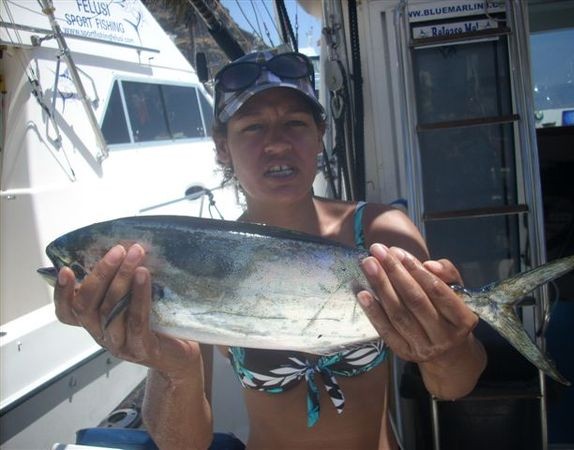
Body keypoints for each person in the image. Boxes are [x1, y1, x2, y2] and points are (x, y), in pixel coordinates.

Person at [54, 50, 487, 449]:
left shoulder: (378, 232)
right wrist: (174, 368)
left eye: (295, 123)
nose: (277, 143)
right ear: (223, 147)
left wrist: (447, 349)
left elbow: (452, 386)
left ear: (319, 136)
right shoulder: (200, 257)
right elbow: (182, 444)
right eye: (253, 127)